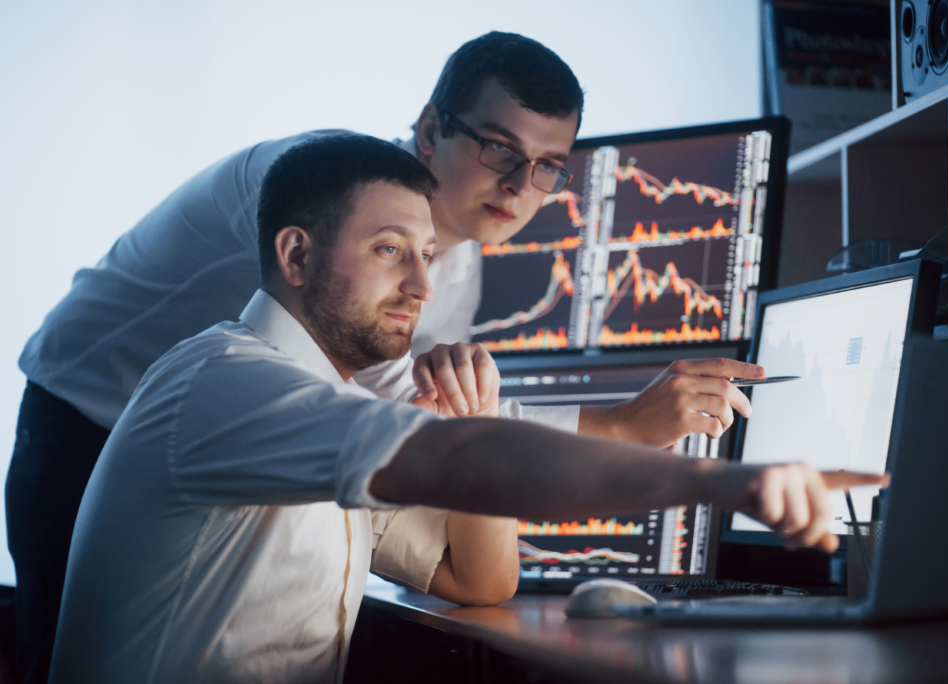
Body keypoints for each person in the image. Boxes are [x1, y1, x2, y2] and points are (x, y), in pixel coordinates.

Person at [8, 32, 752, 684]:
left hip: (287, 451)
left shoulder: (451, 272)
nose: (520, 186)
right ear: (431, 129)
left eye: (547, 166)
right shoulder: (311, 189)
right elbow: (424, 425)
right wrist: (627, 431)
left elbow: (434, 427)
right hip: (89, 422)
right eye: (500, 148)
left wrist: (472, 429)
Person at [48, 133, 880, 684]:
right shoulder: (232, 384)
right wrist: (728, 483)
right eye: (388, 251)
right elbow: (456, 465)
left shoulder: (322, 412)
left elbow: (476, 581)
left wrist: (472, 423)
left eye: (426, 254)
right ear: (296, 256)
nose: (421, 285)